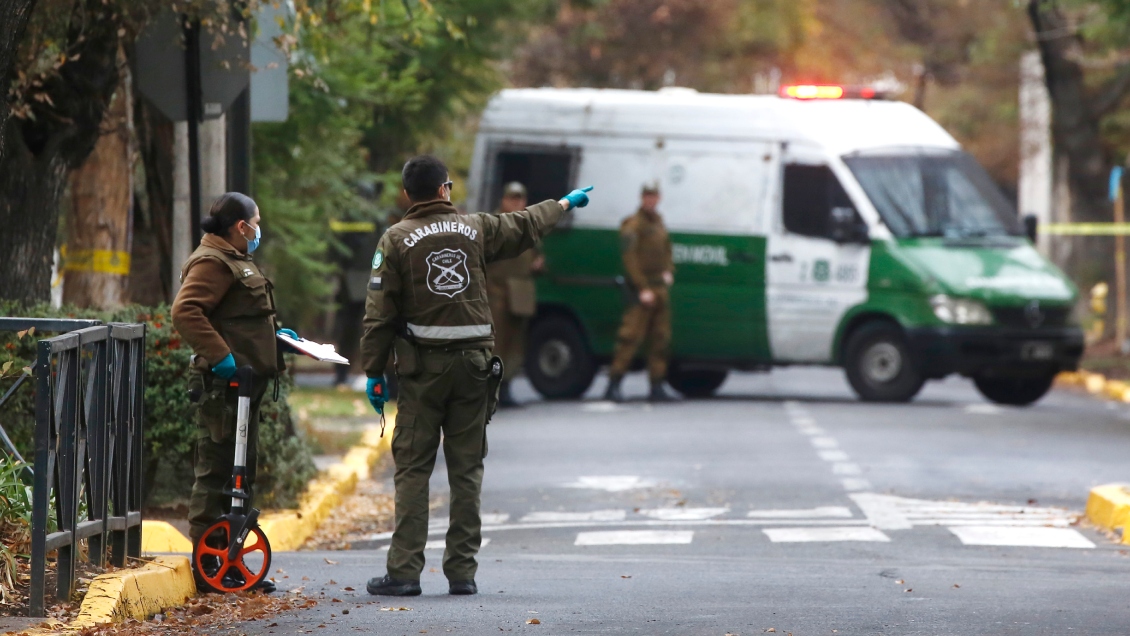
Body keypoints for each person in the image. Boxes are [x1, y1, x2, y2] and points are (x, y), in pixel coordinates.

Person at [360, 155, 592, 597]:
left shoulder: (395, 239)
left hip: (422, 371)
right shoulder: (476, 228)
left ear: (409, 195)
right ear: (445, 189)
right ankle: (462, 572)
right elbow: (525, 224)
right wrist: (563, 203)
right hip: (474, 368)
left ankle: (405, 572)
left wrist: (373, 372)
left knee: (413, 469)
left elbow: (378, 316)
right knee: (467, 470)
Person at [171, 192, 296, 593]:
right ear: (241, 226)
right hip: (225, 387)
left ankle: (230, 561)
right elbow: (186, 311)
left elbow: (240, 318)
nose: (259, 229)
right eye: (256, 222)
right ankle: (209, 565)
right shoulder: (212, 262)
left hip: (246, 387)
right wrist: (222, 358)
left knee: (240, 474)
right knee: (217, 471)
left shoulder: (235, 258)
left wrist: (275, 338)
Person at [603, 183, 676, 403]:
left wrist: (668, 271)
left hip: (659, 288)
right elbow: (630, 258)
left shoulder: (659, 223)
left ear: (659, 198)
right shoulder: (633, 225)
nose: (650, 200)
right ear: (641, 198)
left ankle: (657, 385)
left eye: (654, 196)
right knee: (630, 338)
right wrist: (642, 288)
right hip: (641, 290)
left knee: (660, 338)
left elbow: (667, 251)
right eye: (647, 196)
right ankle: (613, 383)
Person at [485, 182, 544, 407]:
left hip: (520, 293)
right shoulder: (492, 225)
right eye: (512, 198)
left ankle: (506, 387)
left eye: (520, 199)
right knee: (495, 342)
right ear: (503, 200)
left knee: (515, 342)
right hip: (496, 292)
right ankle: (490, 389)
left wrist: (538, 264)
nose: (517, 203)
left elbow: (537, 257)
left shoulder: (528, 226)